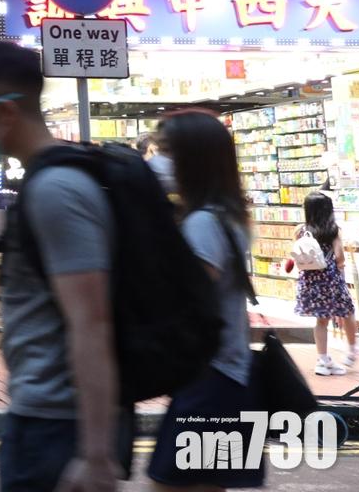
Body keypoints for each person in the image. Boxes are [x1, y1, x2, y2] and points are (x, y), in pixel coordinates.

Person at [0, 42, 125, 492]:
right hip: (43, 417)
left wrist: (95, 454)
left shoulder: (57, 190)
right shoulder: (45, 181)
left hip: (57, 427)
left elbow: (92, 322)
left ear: (5, 111)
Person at [146, 110, 264, 490]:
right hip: (229, 377)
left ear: (192, 158)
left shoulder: (203, 224)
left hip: (210, 382)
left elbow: (187, 299)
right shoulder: (225, 216)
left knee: (168, 484)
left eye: (166, 151)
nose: (157, 161)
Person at [294, 191, 359, 375]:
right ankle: (352, 350)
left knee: (321, 321)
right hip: (331, 280)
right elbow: (339, 257)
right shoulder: (333, 230)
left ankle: (322, 361)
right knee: (347, 312)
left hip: (310, 281)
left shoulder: (300, 230)